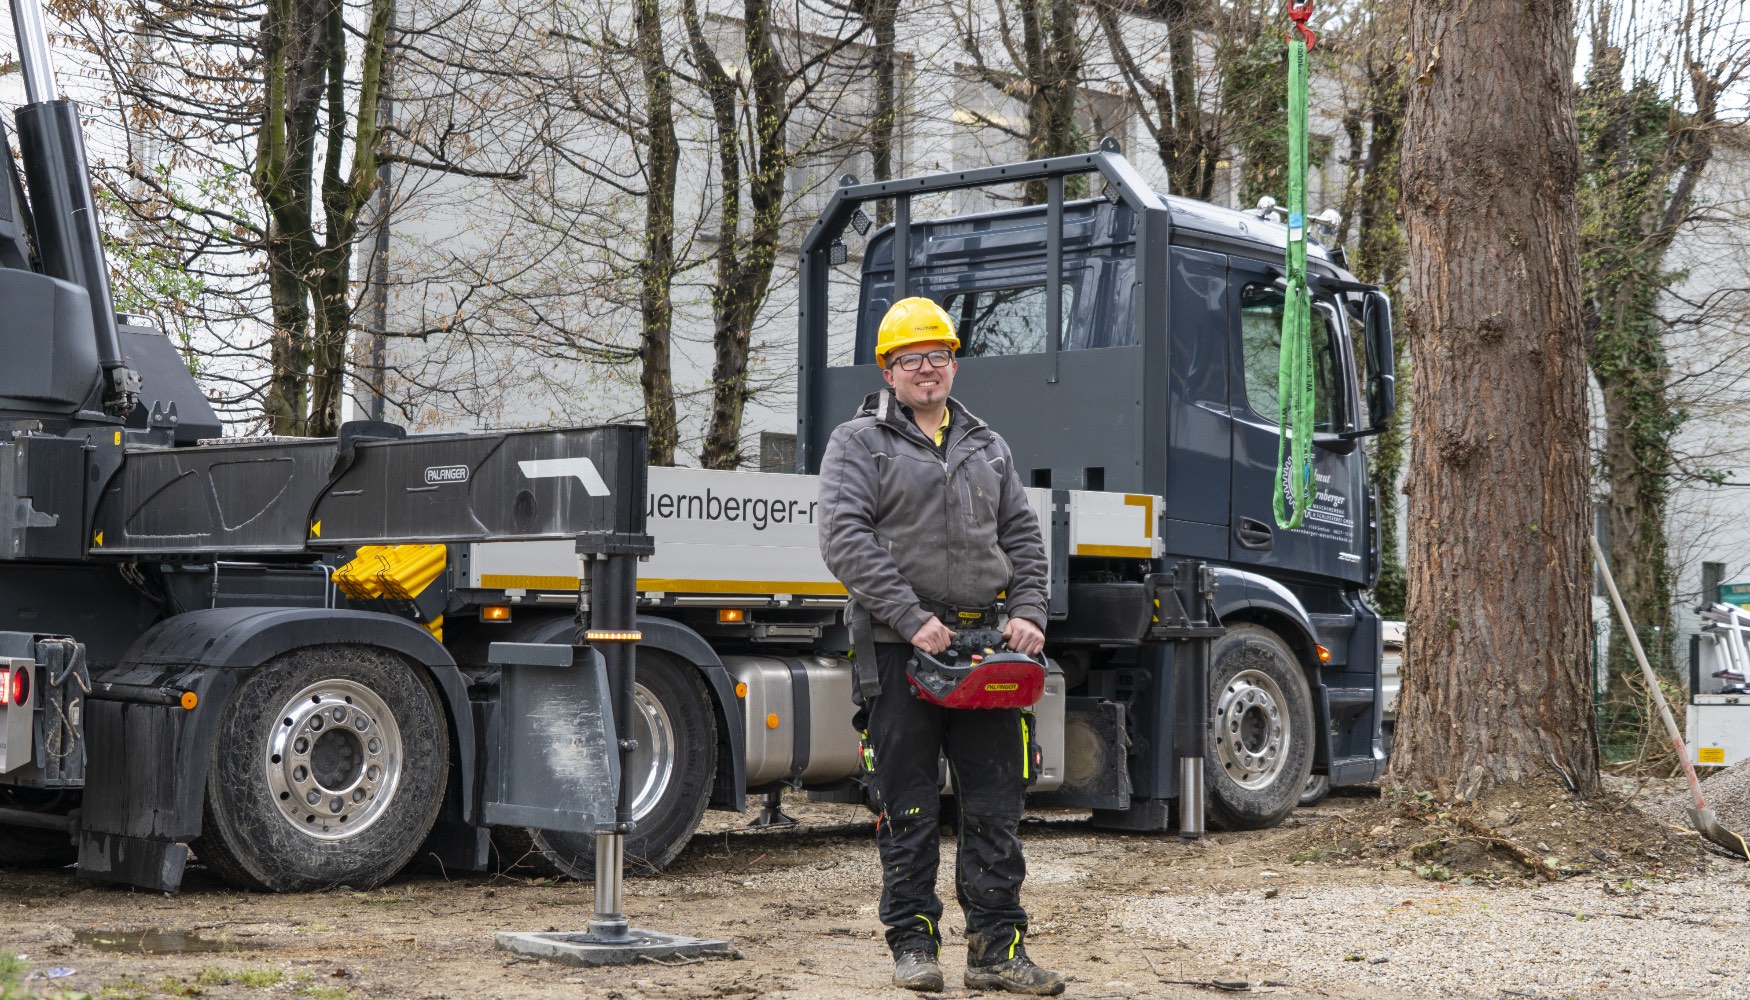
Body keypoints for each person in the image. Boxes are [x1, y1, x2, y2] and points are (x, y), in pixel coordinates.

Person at [817, 297, 1064, 996]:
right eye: (911, 360)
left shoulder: (987, 443)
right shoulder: (858, 443)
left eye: (938, 357)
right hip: (900, 648)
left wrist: (1029, 612)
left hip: (986, 646)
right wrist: (910, 616)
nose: (927, 370)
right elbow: (845, 541)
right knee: (910, 801)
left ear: (953, 364)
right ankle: (914, 946)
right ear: (888, 372)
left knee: (994, 802)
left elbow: (1022, 537)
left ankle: (996, 951)